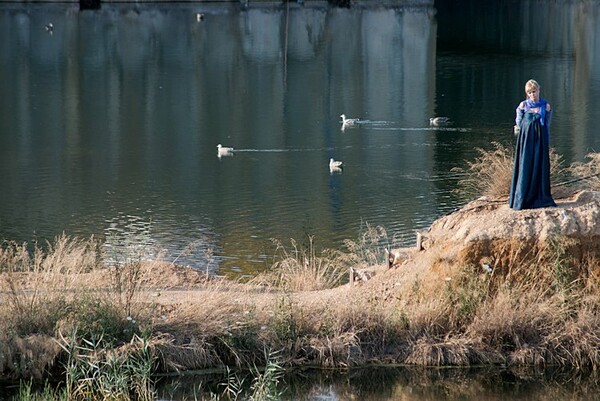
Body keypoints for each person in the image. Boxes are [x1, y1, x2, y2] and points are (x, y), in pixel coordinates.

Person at [508, 79, 557, 210]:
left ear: (538, 90)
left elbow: (547, 123)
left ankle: (539, 197)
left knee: (539, 166)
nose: (532, 94)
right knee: (525, 165)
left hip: (540, 140)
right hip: (526, 141)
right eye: (529, 92)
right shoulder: (523, 106)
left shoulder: (545, 106)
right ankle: (522, 198)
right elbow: (519, 123)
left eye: (534, 91)